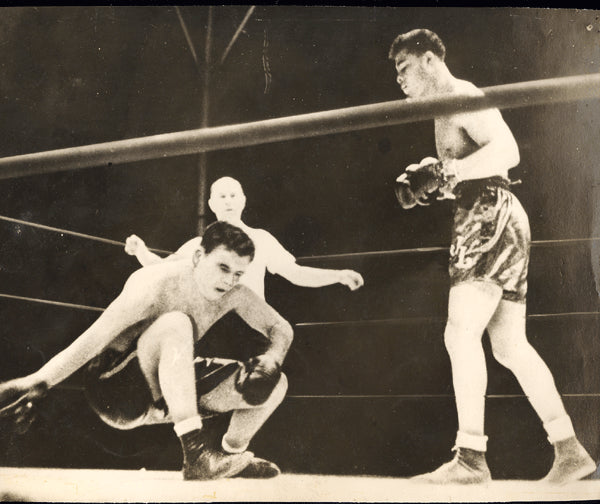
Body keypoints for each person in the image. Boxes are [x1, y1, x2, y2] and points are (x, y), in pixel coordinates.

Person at [390, 29, 595, 484]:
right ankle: (569, 449)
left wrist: (448, 171)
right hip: (491, 212)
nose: (399, 80)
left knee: (460, 333)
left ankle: (470, 457)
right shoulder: (443, 110)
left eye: (403, 68)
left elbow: (507, 151)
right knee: (508, 345)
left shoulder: (461, 95)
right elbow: (471, 166)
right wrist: (433, 183)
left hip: (489, 214)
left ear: (428, 61)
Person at [0, 221, 293, 480]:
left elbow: (281, 329)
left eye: (238, 274)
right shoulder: (154, 285)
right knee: (177, 323)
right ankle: (196, 454)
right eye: (223, 268)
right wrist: (40, 380)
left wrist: (272, 358)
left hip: (166, 393)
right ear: (199, 256)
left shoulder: (234, 294)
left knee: (276, 382)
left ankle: (230, 457)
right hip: (115, 391)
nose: (229, 280)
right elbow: (94, 340)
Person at [124, 176, 364, 299]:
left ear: (243, 200)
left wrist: (338, 276)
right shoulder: (198, 244)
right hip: (209, 325)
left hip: (249, 326)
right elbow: (162, 268)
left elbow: (295, 272)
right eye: (222, 196)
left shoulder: (262, 239)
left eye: (232, 195)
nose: (228, 200)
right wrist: (141, 251)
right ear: (211, 204)